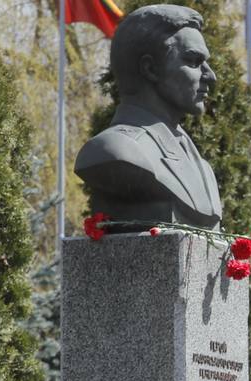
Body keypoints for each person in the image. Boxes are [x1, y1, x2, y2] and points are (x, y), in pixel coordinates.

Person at [75, 4, 221, 228]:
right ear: (150, 69)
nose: (210, 76)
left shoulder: (201, 166)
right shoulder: (114, 150)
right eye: (193, 61)